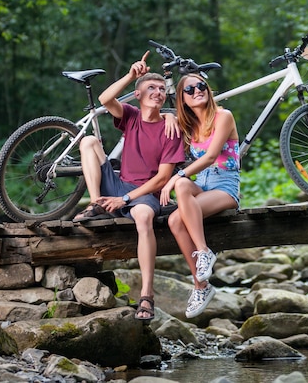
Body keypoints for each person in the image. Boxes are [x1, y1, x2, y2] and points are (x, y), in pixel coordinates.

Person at [73, 51, 185, 322]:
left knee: (144, 217)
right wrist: (131, 75)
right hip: (118, 184)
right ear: (138, 95)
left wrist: (125, 199)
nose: (158, 91)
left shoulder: (171, 129)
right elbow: (104, 99)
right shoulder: (131, 116)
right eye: (150, 87)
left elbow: (161, 179)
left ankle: (147, 294)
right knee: (88, 142)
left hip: (146, 193)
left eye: (161, 88)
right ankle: (96, 203)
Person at [160, 74, 240, 318]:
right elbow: (156, 121)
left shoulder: (223, 117)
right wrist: (168, 115)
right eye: (190, 89)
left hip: (225, 187)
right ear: (183, 99)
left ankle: (202, 261)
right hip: (201, 185)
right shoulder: (190, 126)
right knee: (182, 189)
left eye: (201, 86)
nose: (197, 90)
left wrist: (176, 176)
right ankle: (203, 284)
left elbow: (209, 157)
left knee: (176, 213)